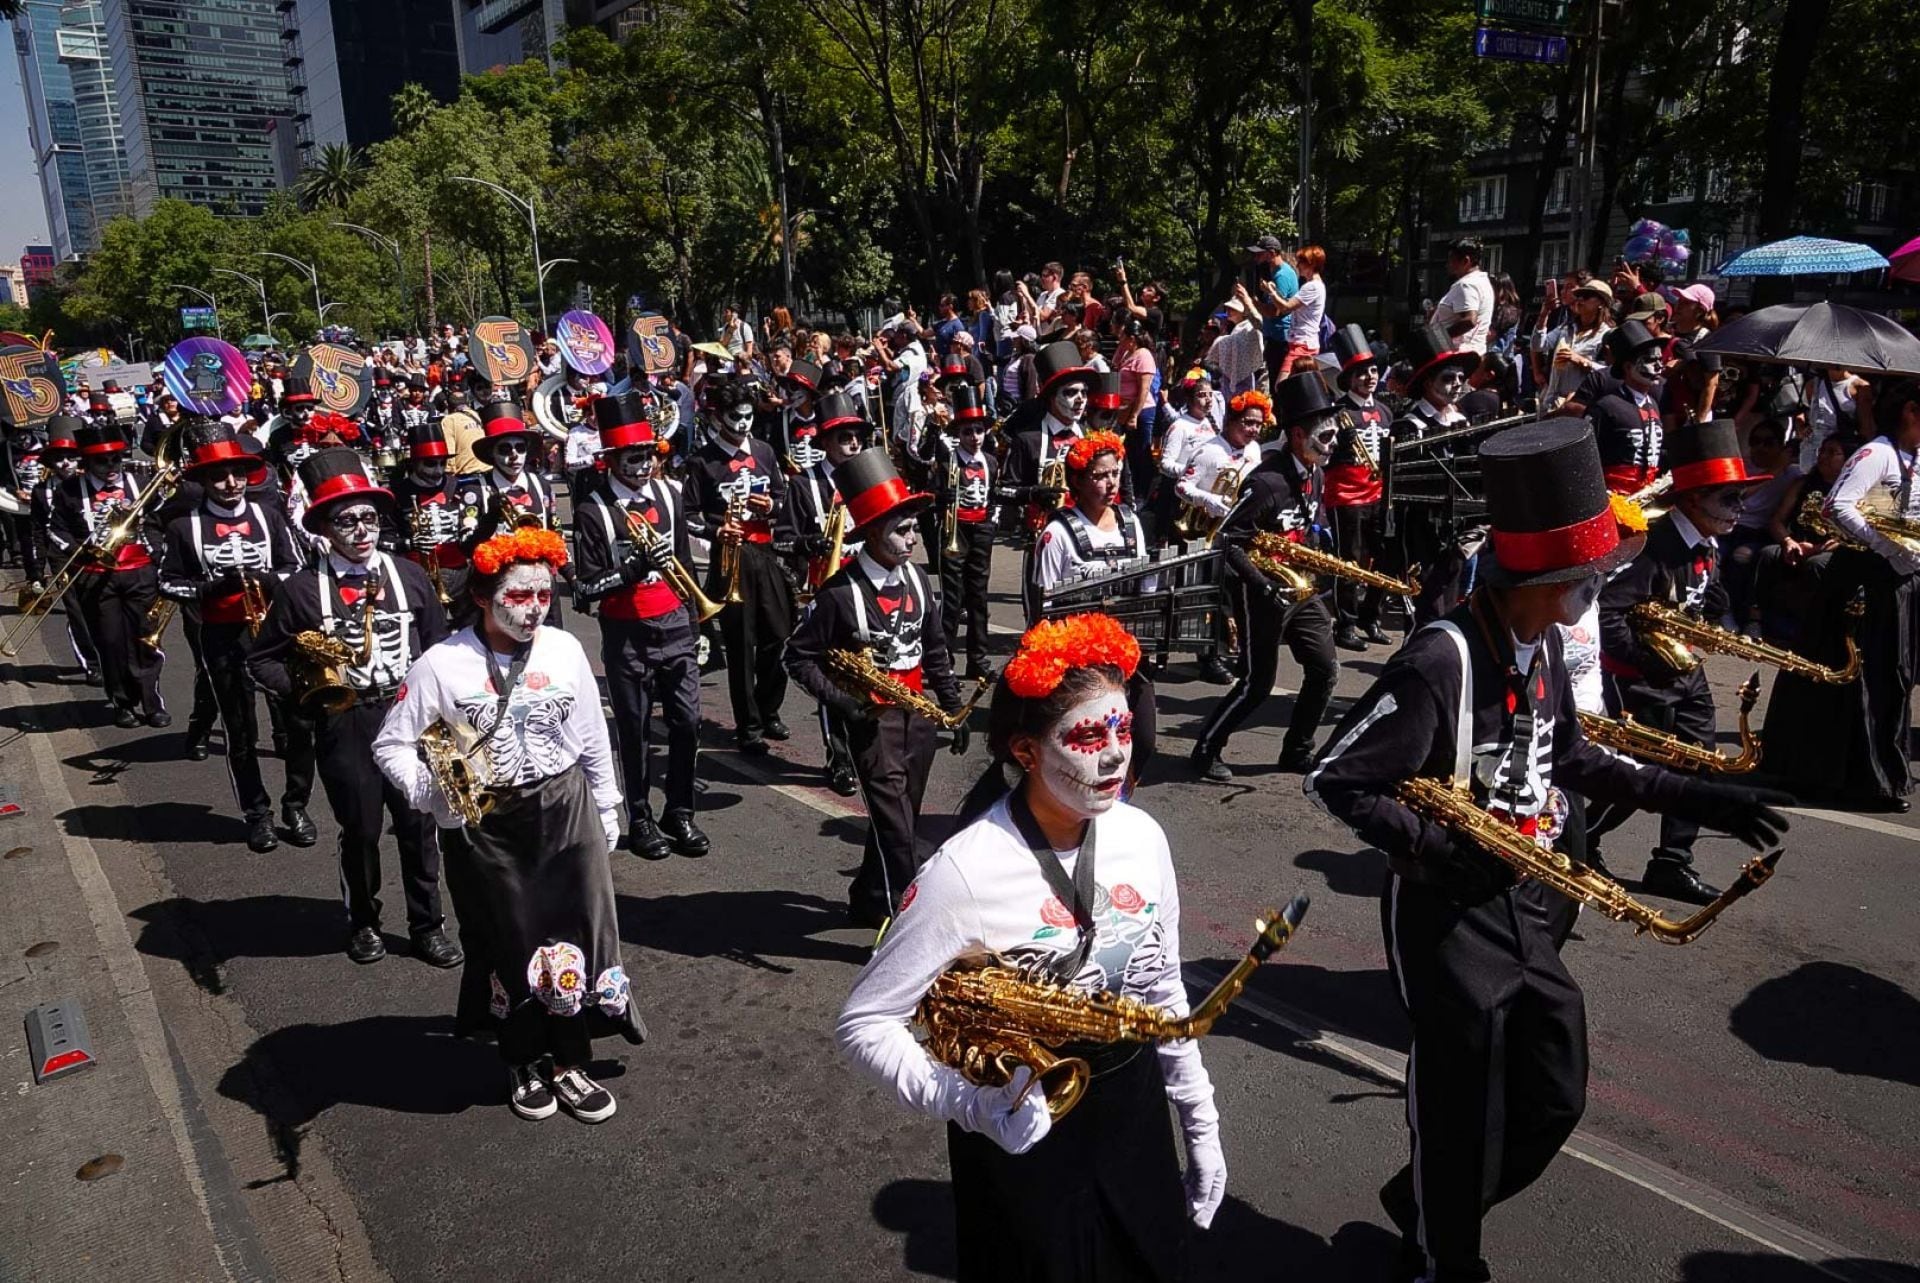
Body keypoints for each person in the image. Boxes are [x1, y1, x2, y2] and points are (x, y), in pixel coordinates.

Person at [1306, 418, 1790, 1283]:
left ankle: (1426, 1204)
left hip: (1531, 894)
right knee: (1460, 1106)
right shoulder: (1439, 658)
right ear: (1548, 574)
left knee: (1554, 1090)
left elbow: (1571, 755)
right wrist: (1438, 846)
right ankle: (1445, 1255)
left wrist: (1697, 794)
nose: (1598, 588)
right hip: (1449, 909)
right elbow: (1336, 776)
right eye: (1590, 575)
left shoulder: (1542, 643)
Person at [837, 612, 1222, 1282]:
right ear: (1025, 750)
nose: (1114, 755)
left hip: (1130, 1109)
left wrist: (1199, 1119)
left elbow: (1162, 988)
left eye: (1122, 728)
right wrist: (972, 1104)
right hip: (1019, 1119)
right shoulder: (964, 870)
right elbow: (863, 1021)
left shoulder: (1143, 837)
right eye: (1087, 735)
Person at [374, 526, 641, 1123]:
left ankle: (570, 1062)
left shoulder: (564, 649)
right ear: (482, 596)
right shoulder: (440, 665)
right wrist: (433, 792)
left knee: (579, 934)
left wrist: (605, 801)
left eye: (543, 596)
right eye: (519, 596)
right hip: (487, 826)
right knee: (509, 941)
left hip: (565, 811)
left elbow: (593, 734)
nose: (534, 610)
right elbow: (392, 745)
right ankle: (522, 1058)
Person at [249, 448, 460, 967]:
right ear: (323, 526)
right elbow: (261, 659)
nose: (362, 529)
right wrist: (310, 695)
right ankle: (364, 921)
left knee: (418, 825)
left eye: (369, 516)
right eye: (347, 520)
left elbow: (439, 646)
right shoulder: (299, 589)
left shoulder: (409, 574)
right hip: (348, 720)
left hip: (410, 714)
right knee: (361, 829)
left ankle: (427, 924)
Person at [784, 449, 970, 929]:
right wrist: (845, 704)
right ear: (870, 533)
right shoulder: (838, 595)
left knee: (901, 815)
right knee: (898, 831)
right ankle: (911, 922)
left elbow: (934, 648)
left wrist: (951, 706)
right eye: (902, 530)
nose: (912, 539)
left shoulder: (917, 577)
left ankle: (868, 894)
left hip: (917, 716)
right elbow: (797, 657)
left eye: (913, 528)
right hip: (872, 721)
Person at [1588, 421, 1770, 901]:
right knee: (1640, 773)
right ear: (1693, 499)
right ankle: (1581, 837)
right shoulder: (1655, 544)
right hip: (1643, 679)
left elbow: (1704, 592)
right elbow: (1609, 610)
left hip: (1687, 674)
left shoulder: (1706, 539)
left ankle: (1672, 861)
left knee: (1699, 765)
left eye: (1741, 498)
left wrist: (1713, 604)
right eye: (1729, 498)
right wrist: (1643, 665)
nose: (1740, 509)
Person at [1762, 380, 1920, 812]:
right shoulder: (1877, 453)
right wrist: (1888, 546)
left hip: (1899, 580)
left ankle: (1882, 774)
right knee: (1852, 677)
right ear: (1910, 410)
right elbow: (1839, 505)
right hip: (1861, 581)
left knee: (1893, 675)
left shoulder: (1914, 457)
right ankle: (1842, 777)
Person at [158, 421, 310, 854]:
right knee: (241, 730)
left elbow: (295, 566)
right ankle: (256, 814)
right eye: (219, 476)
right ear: (204, 481)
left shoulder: (269, 514)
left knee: (298, 723)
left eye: (237, 474)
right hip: (223, 635)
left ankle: (296, 804)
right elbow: (169, 583)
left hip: (275, 631)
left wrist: (267, 581)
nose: (230, 483)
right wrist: (209, 589)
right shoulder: (184, 526)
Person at [570, 392, 710, 861]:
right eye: (633, 457)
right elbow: (586, 589)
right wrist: (630, 569)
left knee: (688, 721)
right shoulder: (592, 509)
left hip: (675, 624)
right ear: (611, 460)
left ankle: (680, 811)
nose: (643, 465)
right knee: (633, 729)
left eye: (649, 454)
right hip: (626, 633)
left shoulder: (671, 493)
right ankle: (640, 815)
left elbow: (685, 562)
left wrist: (698, 624)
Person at [1190, 377, 1341, 781]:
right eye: (1324, 436)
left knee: (1325, 669)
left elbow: (1311, 527)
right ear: (1296, 435)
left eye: (1333, 434)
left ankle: (1297, 749)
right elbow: (1226, 540)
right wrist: (1262, 585)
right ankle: (1206, 749)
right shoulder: (1265, 482)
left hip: (1300, 588)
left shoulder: (1315, 472)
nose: (1332, 444)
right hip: (1262, 591)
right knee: (1258, 684)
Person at [1033, 429, 1160, 783]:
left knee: (1144, 740)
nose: (1110, 483)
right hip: (1081, 665)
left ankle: (1120, 796)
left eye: (1115, 473)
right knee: (1087, 750)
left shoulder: (1131, 522)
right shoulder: (1056, 534)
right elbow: (1044, 608)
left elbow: (1147, 583)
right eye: (1099, 475)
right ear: (1077, 480)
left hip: (1129, 657)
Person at [685, 377, 792, 754]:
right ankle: (748, 724)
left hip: (765, 554)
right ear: (719, 416)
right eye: (736, 416)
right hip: (730, 559)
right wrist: (718, 531)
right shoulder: (701, 461)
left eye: (748, 416)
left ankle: (768, 708)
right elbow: (690, 516)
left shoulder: (764, 450)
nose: (744, 423)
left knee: (779, 635)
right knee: (741, 645)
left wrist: (773, 507)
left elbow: (782, 495)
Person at [48, 422, 168, 727]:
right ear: (87, 463)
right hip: (97, 575)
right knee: (110, 642)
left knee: (146, 638)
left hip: (140, 571)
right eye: (103, 460)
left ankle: (152, 703)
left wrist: (154, 549)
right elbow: (55, 530)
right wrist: (81, 548)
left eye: (117, 457)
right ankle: (122, 702)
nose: (112, 465)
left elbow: (158, 518)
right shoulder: (70, 491)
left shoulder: (140, 481)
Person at [784, 392, 870, 796]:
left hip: (868, 586)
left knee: (871, 671)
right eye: (844, 438)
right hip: (828, 589)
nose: (853, 444)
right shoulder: (804, 484)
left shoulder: (871, 474)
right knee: (833, 677)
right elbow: (783, 540)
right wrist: (808, 544)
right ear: (825, 442)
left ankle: (868, 747)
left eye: (857, 436)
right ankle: (839, 758)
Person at [1325, 324, 1395, 649]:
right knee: (1348, 559)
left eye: (1373, 371)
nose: (1369, 377)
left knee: (1382, 557)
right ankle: (1346, 622)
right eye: (1362, 373)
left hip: (1378, 494)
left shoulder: (1385, 412)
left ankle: (1372, 615)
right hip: (1346, 495)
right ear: (1350, 378)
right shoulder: (1339, 412)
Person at [933, 385, 1000, 682]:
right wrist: (941, 497)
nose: (974, 437)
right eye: (967, 432)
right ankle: (944, 658)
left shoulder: (992, 462)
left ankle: (978, 659)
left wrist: (991, 523)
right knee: (952, 599)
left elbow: (994, 496)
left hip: (982, 529)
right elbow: (932, 494)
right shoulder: (948, 462)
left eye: (978, 430)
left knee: (979, 598)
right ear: (958, 434)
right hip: (955, 528)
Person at [1584, 319, 1668, 494]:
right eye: (1650, 360)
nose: (1659, 366)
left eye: (1660, 359)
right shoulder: (1605, 407)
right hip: (1614, 496)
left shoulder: (1653, 404)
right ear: (1628, 367)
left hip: (1647, 494)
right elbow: (1586, 457)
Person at [1532, 279, 1613, 416]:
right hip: (1551, 401)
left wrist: (1581, 361)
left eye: (1586, 297)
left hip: (1578, 406)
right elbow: (1538, 345)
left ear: (1601, 303)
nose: (1580, 300)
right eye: (1579, 296)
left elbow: (1610, 373)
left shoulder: (1606, 335)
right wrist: (1544, 313)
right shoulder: (1566, 327)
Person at [1431, 237, 1494, 355]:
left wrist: (1437, 337)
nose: (1448, 264)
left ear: (1466, 261)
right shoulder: (1483, 282)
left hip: (1457, 354)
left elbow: (1470, 320)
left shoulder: (1466, 284)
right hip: (1475, 352)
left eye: (1451, 260)